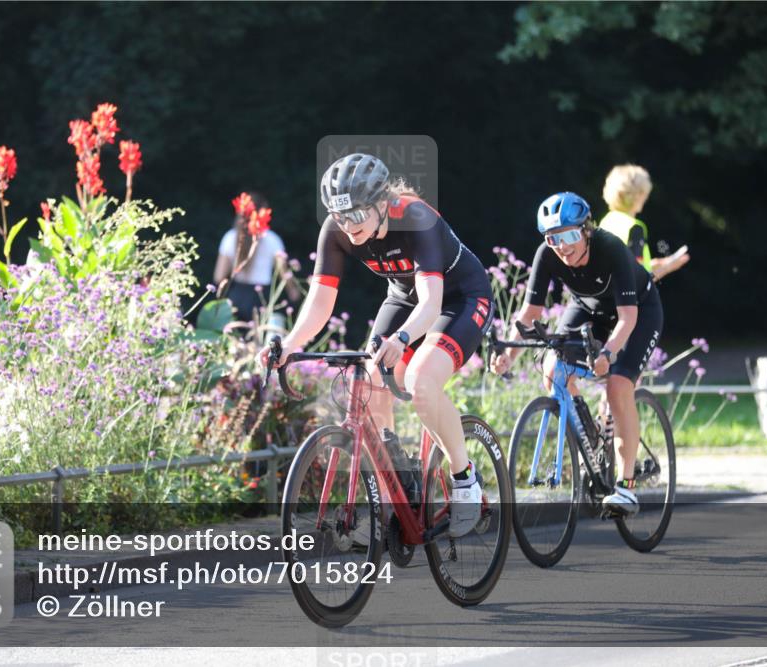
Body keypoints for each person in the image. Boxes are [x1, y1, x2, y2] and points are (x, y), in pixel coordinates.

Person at [257, 153, 494, 537]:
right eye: (339, 215)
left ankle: (464, 479)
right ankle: (392, 497)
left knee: (421, 381)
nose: (348, 226)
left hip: (459, 298)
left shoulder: (417, 219)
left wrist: (402, 339)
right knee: (365, 383)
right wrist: (290, 344)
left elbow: (431, 302)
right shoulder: (336, 229)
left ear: (383, 204)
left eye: (356, 215)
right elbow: (319, 300)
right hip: (404, 298)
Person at [491, 192, 664, 515]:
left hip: (638, 311)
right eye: (553, 238)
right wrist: (509, 352)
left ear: (586, 230)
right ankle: (591, 432)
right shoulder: (548, 254)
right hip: (588, 309)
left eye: (570, 235)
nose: (562, 246)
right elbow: (530, 313)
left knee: (617, 387)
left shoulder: (611, 248)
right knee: (552, 369)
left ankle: (627, 487)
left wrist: (609, 354)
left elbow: (628, 319)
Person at [213, 192, 299, 324]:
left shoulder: (230, 237)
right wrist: (294, 292)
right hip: (261, 298)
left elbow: (219, 277)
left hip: (236, 297)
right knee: (259, 340)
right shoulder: (272, 239)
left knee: (235, 340)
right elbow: (284, 274)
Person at [599, 164, 689, 281]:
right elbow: (636, 281)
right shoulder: (634, 228)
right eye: (644, 193)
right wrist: (668, 267)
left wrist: (652, 264)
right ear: (637, 195)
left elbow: (619, 268)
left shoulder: (606, 221)